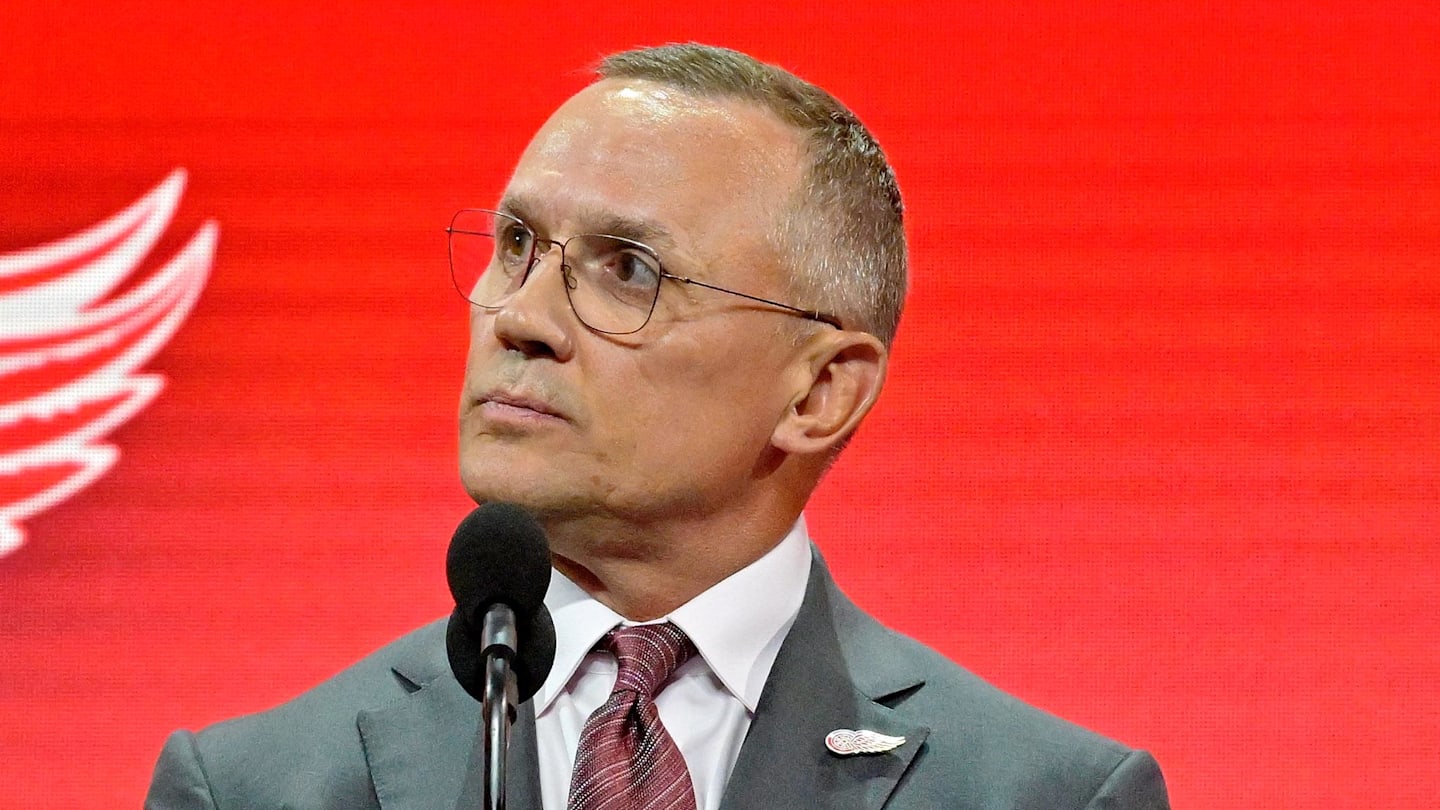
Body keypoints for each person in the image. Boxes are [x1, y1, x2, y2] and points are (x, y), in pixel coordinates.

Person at [145, 43, 1170, 809]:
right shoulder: (251, 788)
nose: (522, 319)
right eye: (516, 245)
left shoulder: (1048, 796)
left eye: (628, 270)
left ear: (820, 393)